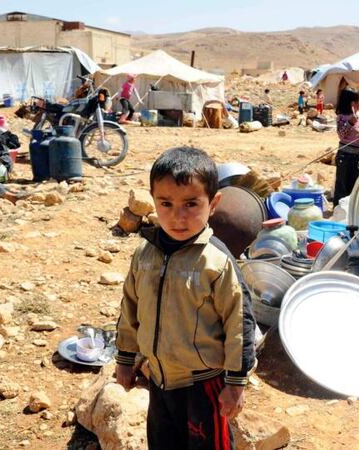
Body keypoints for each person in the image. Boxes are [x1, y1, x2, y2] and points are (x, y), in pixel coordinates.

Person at [115, 146, 256, 449]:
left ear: (213, 203)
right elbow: (130, 309)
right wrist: (126, 359)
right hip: (159, 380)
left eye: (191, 204)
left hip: (204, 384)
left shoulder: (216, 262)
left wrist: (235, 382)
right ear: (153, 200)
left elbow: (239, 325)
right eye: (166, 203)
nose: (178, 216)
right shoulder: (145, 254)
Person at [333, 87, 359, 204]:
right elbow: (341, 135)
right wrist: (350, 122)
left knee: (353, 184)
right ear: (350, 103)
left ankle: (348, 209)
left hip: (358, 156)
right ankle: (338, 209)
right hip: (344, 156)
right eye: (357, 101)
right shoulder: (342, 117)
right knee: (342, 185)